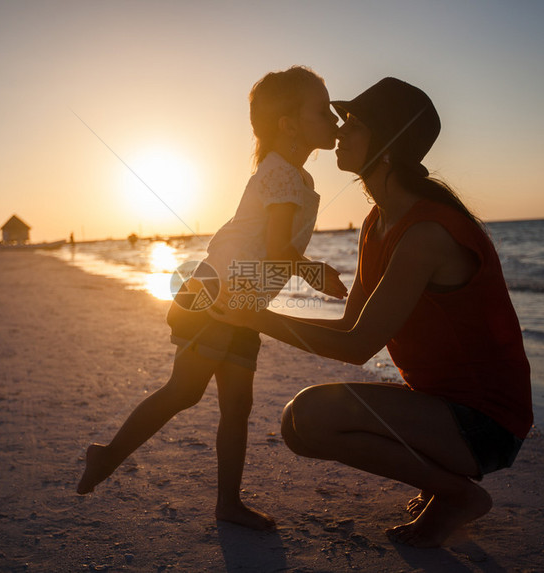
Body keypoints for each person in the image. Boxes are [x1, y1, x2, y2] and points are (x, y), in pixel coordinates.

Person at [211, 77, 532, 546]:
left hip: (484, 424)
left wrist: (254, 317)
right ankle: (439, 481)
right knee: (297, 427)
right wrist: (256, 301)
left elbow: (359, 346)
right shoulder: (377, 223)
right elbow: (349, 324)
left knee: (312, 414)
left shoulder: (426, 233)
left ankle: (456, 494)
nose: (339, 131)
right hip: (439, 407)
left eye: (354, 123)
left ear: (388, 144)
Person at [77, 66, 347, 531]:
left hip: (241, 303)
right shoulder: (282, 175)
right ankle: (109, 454)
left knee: (236, 405)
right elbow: (281, 248)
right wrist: (316, 272)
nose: (335, 120)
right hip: (222, 296)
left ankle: (228, 502)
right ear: (288, 124)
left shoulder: (290, 175)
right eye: (323, 111)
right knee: (185, 390)